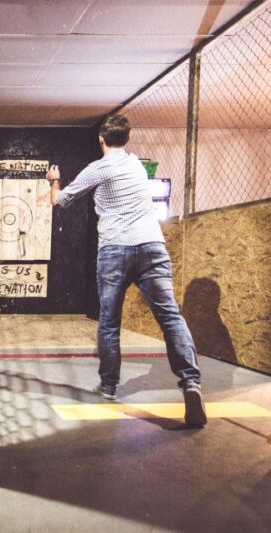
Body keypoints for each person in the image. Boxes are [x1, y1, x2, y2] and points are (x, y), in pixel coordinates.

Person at [45, 114, 207, 427]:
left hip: (115, 249)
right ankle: (191, 382)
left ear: (101, 140)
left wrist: (54, 178)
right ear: (127, 140)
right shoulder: (135, 164)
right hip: (152, 247)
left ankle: (108, 386)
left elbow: (60, 201)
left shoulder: (99, 167)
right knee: (171, 317)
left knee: (109, 322)